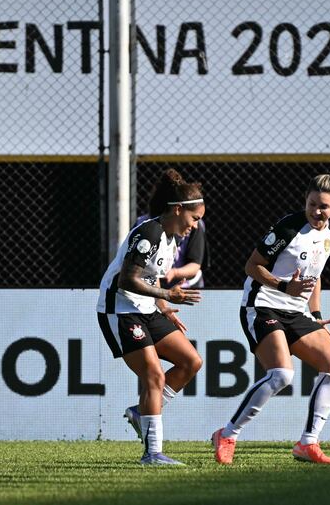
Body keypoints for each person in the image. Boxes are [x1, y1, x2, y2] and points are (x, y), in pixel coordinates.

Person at [211, 171, 330, 465]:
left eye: (323, 206)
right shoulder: (289, 228)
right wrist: (284, 286)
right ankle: (228, 434)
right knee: (282, 374)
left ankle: (308, 444)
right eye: (312, 204)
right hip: (262, 305)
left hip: (295, 311)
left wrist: (315, 315)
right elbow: (252, 266)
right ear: (305, 200)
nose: (316, 211)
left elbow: (315, 276)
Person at [96, 169, 205, 465]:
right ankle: (152, 453)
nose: (195, 226)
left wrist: (164, 306)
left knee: (191, 361)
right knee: (154, 376)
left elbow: (151, 277)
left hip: (146, 309)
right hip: (120, 310)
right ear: (178, 209)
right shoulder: (150, 232)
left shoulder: (171, 239)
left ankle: (140, 412)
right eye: (194, 218)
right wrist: (167, 295)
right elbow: (127, 280)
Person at [134, 213, 207, 289]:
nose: (195, 226)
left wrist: (174, 273)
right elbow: (134, 274)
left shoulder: (194, 224)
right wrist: (161, 293)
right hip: (152, 287)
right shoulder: (145, 225)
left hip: (187, 285)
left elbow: (195, 265)